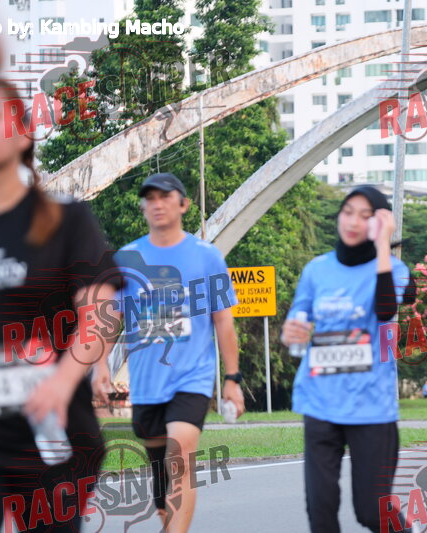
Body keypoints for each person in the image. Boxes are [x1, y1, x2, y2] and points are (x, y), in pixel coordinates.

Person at [0, 79, 119, 532]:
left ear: (22, 134)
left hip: (51, 430)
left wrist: (62, 381)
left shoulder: (66, 220)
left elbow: (101, 316)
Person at [109, 172, 245, 533]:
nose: (157, 204)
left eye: (165, 197)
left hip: (192, 377)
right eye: (150, 198)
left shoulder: (206, 256)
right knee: (161, 481)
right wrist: (97, 370)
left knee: (180, 455)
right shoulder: (126, 259)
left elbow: (223, 322)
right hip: (147, 382)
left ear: (183, 204)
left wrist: (232, 378)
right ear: (143, 207)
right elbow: (110, 320)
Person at [281, 186, 412, 533]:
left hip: (371, 408)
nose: (353, 222)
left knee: (372, 512)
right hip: (320, 401)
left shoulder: (395, 269)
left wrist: (383, 246)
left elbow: (385, 310)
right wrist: (291, 332)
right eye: (348, 212)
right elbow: (298, 318)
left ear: (380, 223)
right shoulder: (316, 269)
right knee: (320, 511)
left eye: (365, 216)